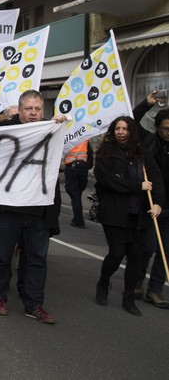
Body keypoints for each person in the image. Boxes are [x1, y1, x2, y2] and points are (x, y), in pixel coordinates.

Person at [0, 90, 64, 324]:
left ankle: (34, 304)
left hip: (39, 210)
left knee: (36, 259)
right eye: (29, 109)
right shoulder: (4, 132)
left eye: (38, 109)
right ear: (19, 110)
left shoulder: (51, 130)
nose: (33, 113)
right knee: (2, 256)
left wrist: (61, 127)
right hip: (9, 209)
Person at [94, 116, 164, 315]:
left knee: (136, 256)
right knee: (116, 253)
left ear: (132, 131)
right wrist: (136, 186)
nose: (121, 132)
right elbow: (107, 180)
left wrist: (158, 202)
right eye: (117, 128)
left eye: (125, 128)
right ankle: (103, 282)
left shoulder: (142, 154)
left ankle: (128, 297)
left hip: (138, 214)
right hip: (114, 213)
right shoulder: (105, 153)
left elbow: (155, 179)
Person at [133, 92, 169, 307]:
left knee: (165, 250)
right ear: (157, 128)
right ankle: (137, 280)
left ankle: (155, 290)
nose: (168, 132)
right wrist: (146, 104)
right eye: (165, 128)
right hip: (151, 203)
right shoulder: (149, 142)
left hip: (168, 206)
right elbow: (133, 119)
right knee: (148, 247)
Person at [63, 139, 93, 228]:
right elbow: (90, 153)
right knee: (77, 194)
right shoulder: (85, 138)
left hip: (72, 167)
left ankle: (79, 221)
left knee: (74, 194)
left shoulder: (68, 137)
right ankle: (76, 218)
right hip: (82, 167)